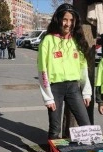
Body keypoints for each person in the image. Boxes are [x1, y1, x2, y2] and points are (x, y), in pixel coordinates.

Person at [37, 3, 92, 140]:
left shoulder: (77, 40)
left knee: (86, 123)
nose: (68, 24)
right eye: (65, 19)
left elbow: (83, 68)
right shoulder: (48, 40)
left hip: (74, 88)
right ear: (58, 19)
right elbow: (42, 70)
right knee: (55, 129)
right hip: (55, 88)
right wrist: (48, 97)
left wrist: (86, 91)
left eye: (71, 20)